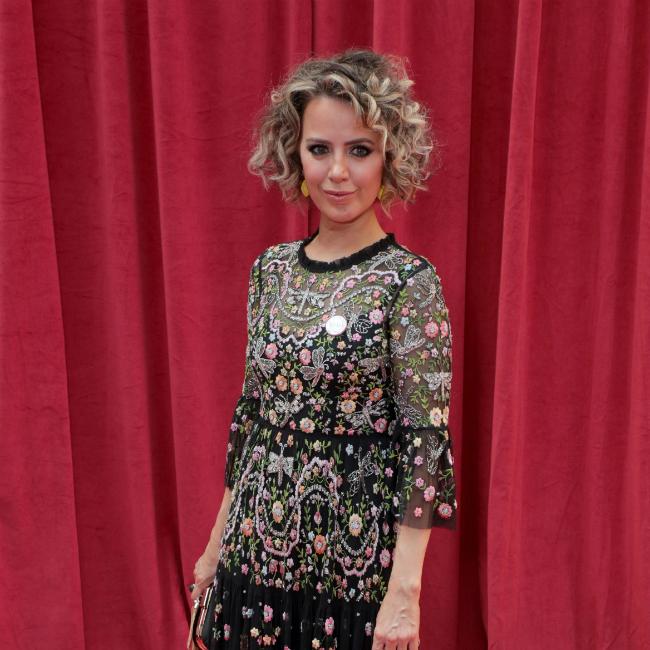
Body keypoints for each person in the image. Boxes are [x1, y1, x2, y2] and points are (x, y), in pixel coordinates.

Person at [190, 48, 458, 650]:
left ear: (390, 156)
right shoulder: (270, 271)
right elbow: (251, 419)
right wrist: (214, 547)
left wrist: (405, 592)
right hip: (253, 556)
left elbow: (425, 446)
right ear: (296, 154)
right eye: (320, 149)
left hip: (353, 572)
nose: (338, 172)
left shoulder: (410, 284)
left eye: (359, 150)